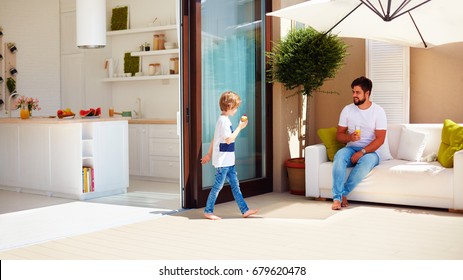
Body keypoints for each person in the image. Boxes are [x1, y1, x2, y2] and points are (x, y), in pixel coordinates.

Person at [331, 76, 389, 210]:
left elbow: (380, 139)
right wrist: (350, 138)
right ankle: (336, 198)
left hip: (371, 151)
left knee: (366, 162)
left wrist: (362, 152)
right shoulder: (347, 110)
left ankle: (343, 194)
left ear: (367, 93)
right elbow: (339, 136)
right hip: (351, 148)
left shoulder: (378, 111)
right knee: (339, 156)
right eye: (353, 92)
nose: (354, 95)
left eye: (357, 92)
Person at [200, 91, 259, 220]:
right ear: (229, 106)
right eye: (236, 107)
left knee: (235, 186)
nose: (237, 110)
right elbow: (228, 139)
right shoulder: (224, 122)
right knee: (218, 187)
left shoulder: (222, 120)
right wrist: (240, 127)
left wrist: (209, 154)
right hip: (223, 163)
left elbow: (214, 139)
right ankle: (208, 211)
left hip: (228, 162)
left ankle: (245, 210)